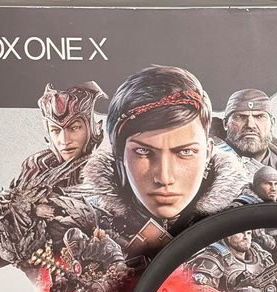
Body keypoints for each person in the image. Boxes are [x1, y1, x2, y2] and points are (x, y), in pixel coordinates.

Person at [48, 66, 249, 272]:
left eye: (185, 152)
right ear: (119, 154)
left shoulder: (246, 219)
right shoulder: (77, 222)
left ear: (208, 153)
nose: (164, 177)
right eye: (143, 151)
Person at [0, 82, 107, 281]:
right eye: (56, 130)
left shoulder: (114, 172)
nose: (64, 140)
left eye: (74, 128)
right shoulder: (37, 170)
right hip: (54, 280)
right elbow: (14, 236)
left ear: (92, 128)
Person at [213, 89, 277, 204]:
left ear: (272, 123)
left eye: (260, 116)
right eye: (240, 116)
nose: (250, 125)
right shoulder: (205, 163)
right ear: (225, 124)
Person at [188, 230, 275, 292]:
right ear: (228, 235)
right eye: (241, 232)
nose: (246, 237)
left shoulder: (262, 256)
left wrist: (276, 289)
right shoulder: (213, 258)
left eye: (248, 233)